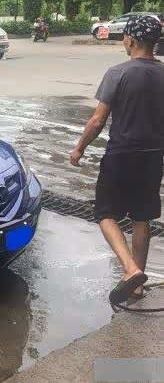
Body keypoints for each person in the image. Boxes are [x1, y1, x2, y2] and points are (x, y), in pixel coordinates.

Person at [70, 15, 164, 305]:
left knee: (105, 214)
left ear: (131, 40)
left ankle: (130, 270)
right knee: (142, 217)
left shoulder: (118, 73)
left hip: (121, 154)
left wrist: (79, 148)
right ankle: (137, 287)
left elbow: (98, 120)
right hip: (153, 156)